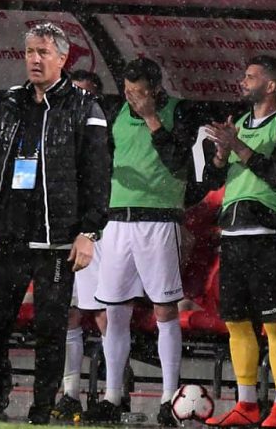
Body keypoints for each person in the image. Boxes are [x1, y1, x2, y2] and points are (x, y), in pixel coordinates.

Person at [0, 23, 110, 425]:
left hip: (56, 242)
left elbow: (98, 176)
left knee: (50, 331)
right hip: (10, 237)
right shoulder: (11, 103)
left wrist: (88, 232)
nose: (35, 59)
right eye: (30, 51)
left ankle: (42, 410)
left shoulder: (85, 108)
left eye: (43, 52)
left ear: (63, 58)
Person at [83, 57, 197, 427]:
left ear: (157, 89)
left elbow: (178, 161)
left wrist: (151, 118)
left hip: (159, 220)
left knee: (165, 309)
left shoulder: (180, 111)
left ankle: (169, 398)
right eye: (129, 92)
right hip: (118, 222)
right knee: (115, 311)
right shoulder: (115, 113)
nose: (134, 99)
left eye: (141, 92)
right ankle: (113, 395)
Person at [202, 55, 276, 428]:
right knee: (236, 322)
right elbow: (211, 180)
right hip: (233, 235)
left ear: (271, 85)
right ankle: (246, 403)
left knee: (274, 322)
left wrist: (238, 147)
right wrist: (221, 155)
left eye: (250, 76)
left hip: (269, 235)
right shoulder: (238, 123)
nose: (243, 81)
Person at [51, 69, 110, 420]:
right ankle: (70, 393)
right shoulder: (55, 129)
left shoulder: (101, 132)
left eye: (85, 94)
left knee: (103, 313)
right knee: (69, 313)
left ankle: (114, 393)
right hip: (63, 232)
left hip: (96, 232)